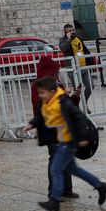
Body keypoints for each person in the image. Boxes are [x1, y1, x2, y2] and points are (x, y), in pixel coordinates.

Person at [24, 76, 106, 211]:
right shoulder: (45, 103)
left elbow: (79, 117)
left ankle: (54, 200)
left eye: (43, 93)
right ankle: (101, 186)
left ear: (53, 92)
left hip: (67, 142)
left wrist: (83, 137)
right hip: (58, 141)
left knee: (55, 169)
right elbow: (41, 116)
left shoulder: (63, 102)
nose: (40, 95)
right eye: (39, 93)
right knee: (75, 170)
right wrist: (32, 123)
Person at [32, 56, 77, 200]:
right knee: (55, 157)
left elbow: (68, 105)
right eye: (55, 72)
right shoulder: (38, 87)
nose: (57, 75)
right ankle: (53, 192)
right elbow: (42, 105)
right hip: (49, 128)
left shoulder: (57, 85)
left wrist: (75, 97)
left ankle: (66, 189)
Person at [59, 23, 93, 110]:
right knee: (76, 90)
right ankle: (75, 107)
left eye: (73, 30)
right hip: (72, 69)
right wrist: (68, 39)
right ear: (65, 32)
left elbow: (84, 49)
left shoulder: (78, 38)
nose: (72, 32)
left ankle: (84, 104)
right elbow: (63, 48)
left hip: (84, 67)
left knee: (90, 86)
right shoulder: (63, 40)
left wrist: (90, 58)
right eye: (69, 31)